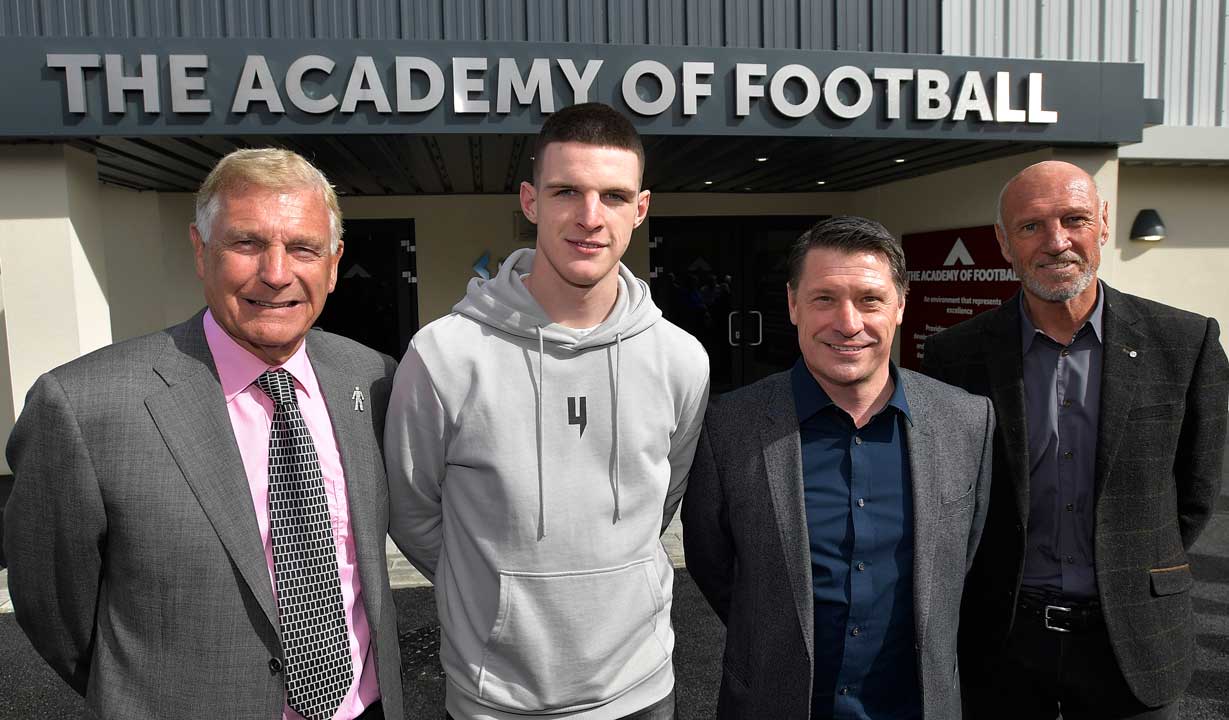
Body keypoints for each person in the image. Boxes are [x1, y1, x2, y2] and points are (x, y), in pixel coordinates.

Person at [3, 148, 403, 720]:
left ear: (334, 263)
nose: (276, 273)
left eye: (303, 248)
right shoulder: (84, 407)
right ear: (200, 250)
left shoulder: (373, 377)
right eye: (246, 244)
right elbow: (53, 608)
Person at [384, 102, 709, 720]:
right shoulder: (444, 354)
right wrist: (496, 592)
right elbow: (414, 512)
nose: (590, 218)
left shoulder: (681, 359)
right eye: (567, 191)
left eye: (614, 196)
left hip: (642, 689)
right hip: (495, 700)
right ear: (531, 202)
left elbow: (662, 501)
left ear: (640, 210)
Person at [922, 160, 1229, 719]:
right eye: (1031, 226)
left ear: (1103, 224)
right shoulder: (954, 356)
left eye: (1074, 219)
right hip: (1003, 637)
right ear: (1003, 242)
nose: (1056, 241)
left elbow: (1197, 491)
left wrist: (1130, 559)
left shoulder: (1186, 343)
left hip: (1134, 634)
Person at [683, 216, 995, 719]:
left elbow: (965, 560)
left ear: (900, 306)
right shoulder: (729, 426)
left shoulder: (967, 421)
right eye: (824, 298)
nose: (847, 323)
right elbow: (713, 565)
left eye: (869, 299)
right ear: (792, 305)